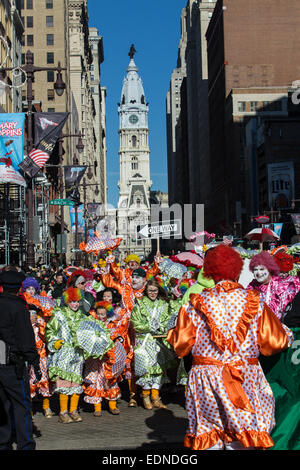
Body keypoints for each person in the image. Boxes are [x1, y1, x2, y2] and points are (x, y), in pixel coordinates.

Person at [167, 244, 294, 451]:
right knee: (243, 436)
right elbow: (275, 342)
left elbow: (180, 344)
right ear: (236, 270)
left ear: (209, 271)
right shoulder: (255, 301)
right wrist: (287, 331)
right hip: (244, 376)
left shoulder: (193, 303)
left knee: (210, 436)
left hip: (205, 378)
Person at [0, 270, 41, 450]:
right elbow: (26, 338)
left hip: (1, 358)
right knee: (21, 404)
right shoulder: (19, 307)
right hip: (13, 361)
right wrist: (34, 360)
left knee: (2, 404)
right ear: (18, 288)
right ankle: (25, 444)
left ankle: (4, 442)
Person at [131, 279, 177, 410]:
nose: (153, 293)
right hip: (144, 341)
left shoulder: (163, 304)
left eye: (155, 290)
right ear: (146, 290)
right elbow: (135, 322)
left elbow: (169, 320)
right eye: (150, 290)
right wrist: (149, 326)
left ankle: (156, 397)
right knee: (147, 371)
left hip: (158, 342)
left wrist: (162, 327)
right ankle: (145, 396)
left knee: (158, 370)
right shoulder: (139, 304)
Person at [45, 287, 87, 423]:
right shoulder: (59, 315)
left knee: (75, 382)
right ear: (67, 302)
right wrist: (55, 342)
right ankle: (63, 412)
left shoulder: (82, 316)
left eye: (77, 302)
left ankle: (73, 410)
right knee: (63, 382)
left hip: (77, 354)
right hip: (63, 353)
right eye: (72, 301)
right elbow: (50, 330)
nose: (75, 304)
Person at [83, 301, 124, 416]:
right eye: (99, 314)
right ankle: (97, 407)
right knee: (96, 381)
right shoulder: (92, 324)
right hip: (95, 360)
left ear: (108, 314)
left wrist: (117, 340)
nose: (101, 316)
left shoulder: (111, 325)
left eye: (103, 314)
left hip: (108, 359)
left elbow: (116, 336)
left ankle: (112, 405)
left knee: (109, 379)